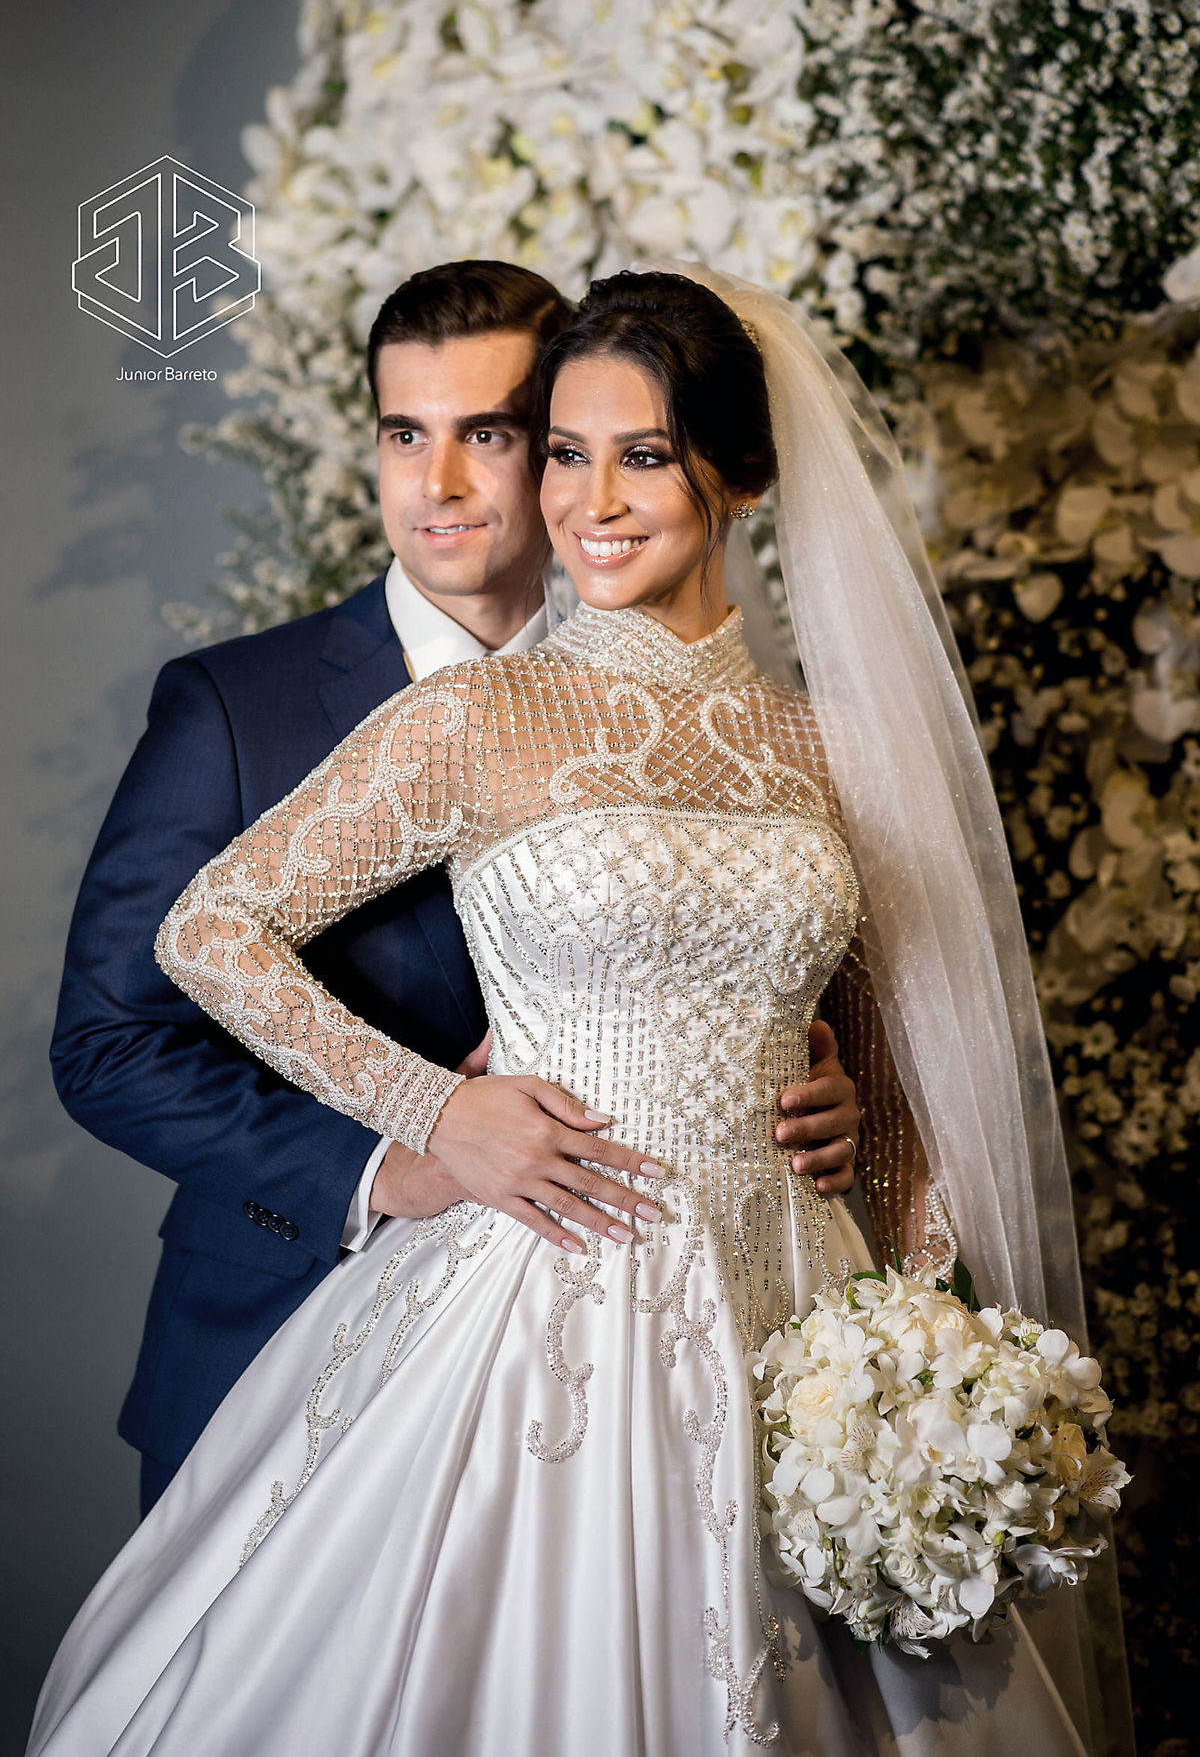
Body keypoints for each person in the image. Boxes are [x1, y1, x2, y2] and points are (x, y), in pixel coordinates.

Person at [29, 268, 1099, 1756]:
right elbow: (205, 933)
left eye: (640, 455)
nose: (587, 499)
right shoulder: (473, 713)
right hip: (536, 1280)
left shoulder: (833, 748)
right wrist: (431, 1112)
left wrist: (921, 1346)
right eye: (567, 454)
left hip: (790, 1295)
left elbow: (884, 1062)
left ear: (742, 475)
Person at [49, 259, 861, 1518]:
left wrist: (824, 1082)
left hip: (723, 1296)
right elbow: (111, 1042)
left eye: (490, 434)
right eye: (403, 434)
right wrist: (403, 1144)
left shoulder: (768, 735)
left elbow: (771, 971)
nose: (438, 482)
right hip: (284, 1338)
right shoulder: (234, 704)